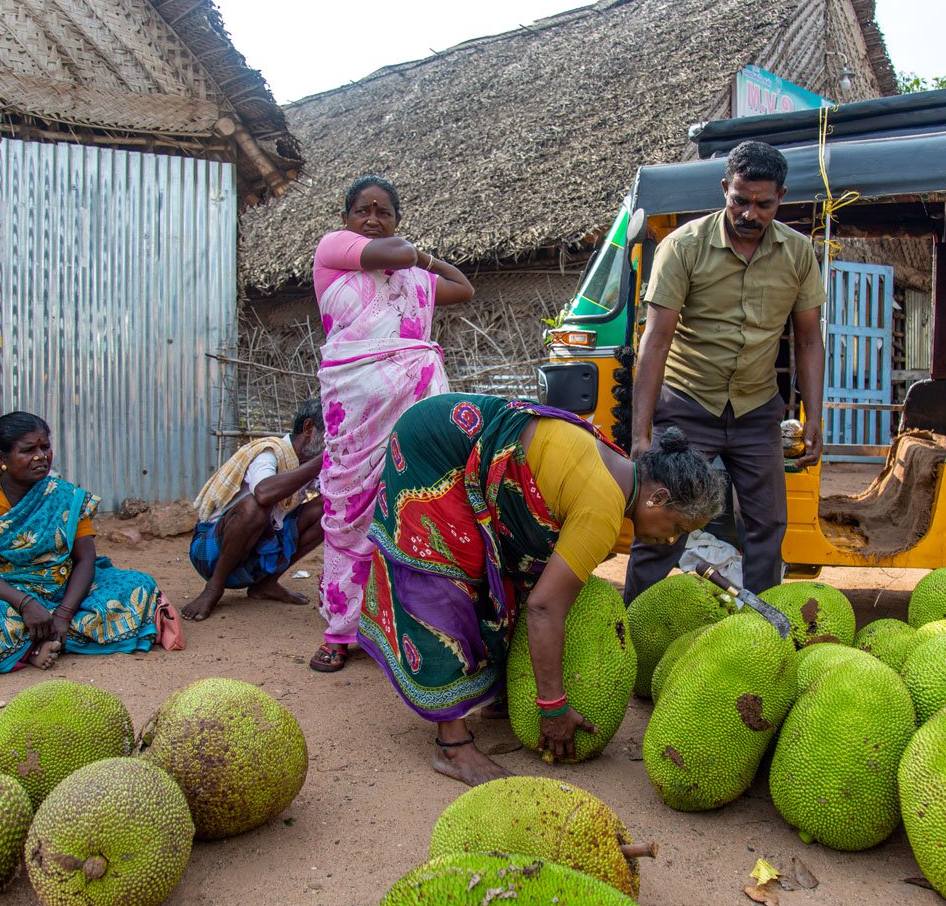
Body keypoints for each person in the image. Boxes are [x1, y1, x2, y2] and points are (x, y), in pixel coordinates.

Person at [358, 393, 725, 786]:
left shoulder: (618, 466)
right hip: (434, 446)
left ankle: (491, 695)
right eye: (676, 529)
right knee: (446, 584)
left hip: (456, 433)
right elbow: (545, 609)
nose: (671, 542)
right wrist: (553, 707)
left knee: (515, 577)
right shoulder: (603, 510)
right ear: (659, 497)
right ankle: (453, 746)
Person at [624, 139, 826, 604]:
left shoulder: (798, 254)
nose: (750, 214)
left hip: (757, 410)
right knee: (663, 520)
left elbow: (810, 340)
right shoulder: (684, 247)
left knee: (768, 526)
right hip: (688, 405)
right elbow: (655, 341)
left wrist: (813, 415)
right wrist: (641, 434)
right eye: (740, 200)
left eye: (763, 204)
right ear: (724, 190)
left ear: (781, 198)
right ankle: (632, 626)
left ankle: (758, 631)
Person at [307, 175, 475, 672]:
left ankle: (404, 624)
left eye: (384, 211)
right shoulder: (333, 250)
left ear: (398, 219)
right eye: (363, 210)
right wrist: (415, 255)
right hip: (354, 414)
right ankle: (340, 632)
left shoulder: (412, 276)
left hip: (411, 413)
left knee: (409, 507)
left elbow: (465, 288)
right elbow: (398, 253)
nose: (373, 218)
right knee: (348, 511)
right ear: (346, 220)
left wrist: (421, 261)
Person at [0, 412, 161, 673]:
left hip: (59, 589)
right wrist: (26, 604)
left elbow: (85, 560)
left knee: (138, 585)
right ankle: (42, 644)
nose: (41, 456)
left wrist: (63, 614)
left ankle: (38, 638)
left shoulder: (64, 496)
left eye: (45, 446)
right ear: (2, 459)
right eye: (28, 450)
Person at [184, 400, 327, 621]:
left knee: (328, 508)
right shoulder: (269, 452)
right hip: (212, 553)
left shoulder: (306, 462)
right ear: (308, 428)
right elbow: (263, 492)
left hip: (258, 556)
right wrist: (323, 460)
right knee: (255, 507)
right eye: (330, 435)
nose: (332, 443)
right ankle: (213, 588)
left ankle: (265, 585)